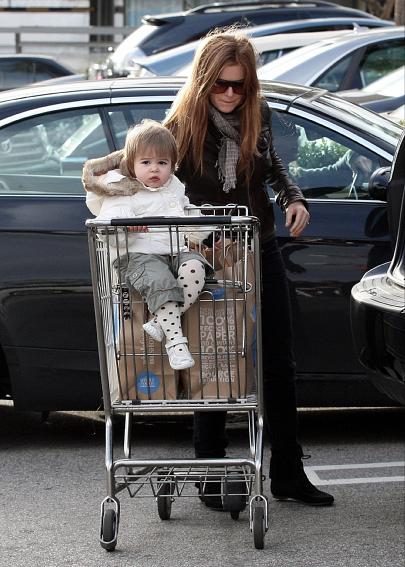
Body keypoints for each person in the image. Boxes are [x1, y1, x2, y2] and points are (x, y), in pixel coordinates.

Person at [163, 31, 334, 507]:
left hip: (261, 247)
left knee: (279, 361)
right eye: (222, 85)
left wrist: (293, 197)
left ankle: (288, 472)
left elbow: (272, 167)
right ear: (203, 82)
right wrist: (205, 235)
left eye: (241, 86)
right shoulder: (180, 128)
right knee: (214, 363)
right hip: (208, 259)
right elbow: (165, 193)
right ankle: (211, 471)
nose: (232, 95)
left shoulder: (257, 116)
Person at [83, 119, 213, 371]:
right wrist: (124, 226)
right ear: (131, 164)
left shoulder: (174, 186)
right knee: (160, 281)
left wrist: (205, 228)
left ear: (172, 166)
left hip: (173, 250)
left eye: (162, 163)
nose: (155, 169)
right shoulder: (123, 191)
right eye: (146, 162)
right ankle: (175, 343)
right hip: (137, 255)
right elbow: (105, 228)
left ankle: (158, 321)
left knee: (196, 267)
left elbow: (184, 212)